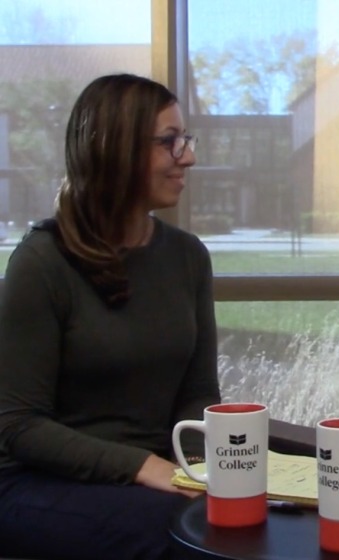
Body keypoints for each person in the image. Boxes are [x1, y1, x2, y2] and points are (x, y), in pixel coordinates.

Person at [0, 74, 220, 560]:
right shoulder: (42, 262)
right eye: (170, 142)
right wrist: (145, 466)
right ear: (117, 150)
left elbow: (199, 394)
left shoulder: (187, 257)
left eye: (185, 140)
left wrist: (206, 469)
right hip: (37, 484)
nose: (188, 156)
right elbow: (17, 424)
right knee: (179, 536)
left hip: (157, 476)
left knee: (256, 521)